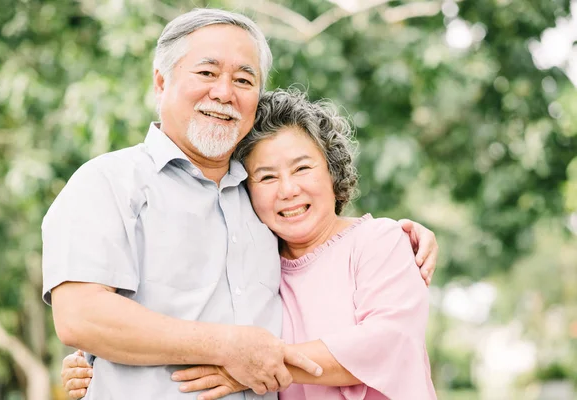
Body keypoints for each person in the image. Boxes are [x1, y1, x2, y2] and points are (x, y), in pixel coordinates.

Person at [44, 8, 438, 400]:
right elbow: (80, 316)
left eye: (244, 79)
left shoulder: (255, 201)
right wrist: (229, 349)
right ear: (161, 82)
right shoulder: (108, 182)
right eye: (207, 73)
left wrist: (390, 236)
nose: (223, 92)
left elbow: (333, 266)